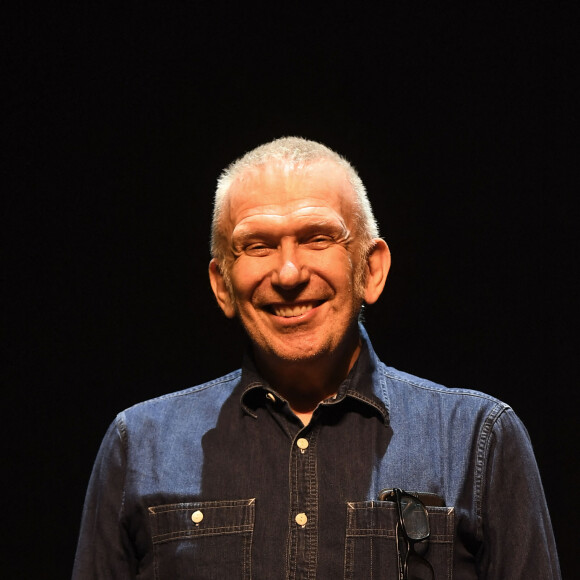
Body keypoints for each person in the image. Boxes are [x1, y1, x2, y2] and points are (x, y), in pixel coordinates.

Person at [73, 137, 560, 579]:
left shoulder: (478, 440)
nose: (288, 273)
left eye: (317, 238)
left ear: (370, 269)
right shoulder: (139, 447)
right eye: (258, 245)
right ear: (222, 284)